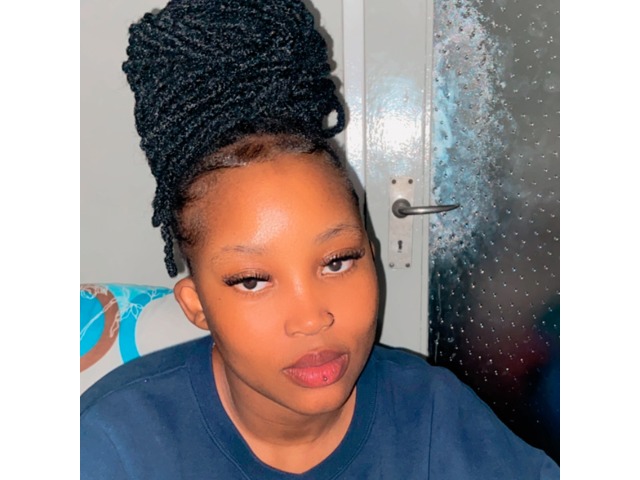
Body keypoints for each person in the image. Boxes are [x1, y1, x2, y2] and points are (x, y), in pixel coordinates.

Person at [80, 0, 560, 478]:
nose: (312, 319)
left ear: (371, 253)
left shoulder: (436, 418)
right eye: (252, 280)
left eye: (338, 261)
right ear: (196, 303)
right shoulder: (114, 444)